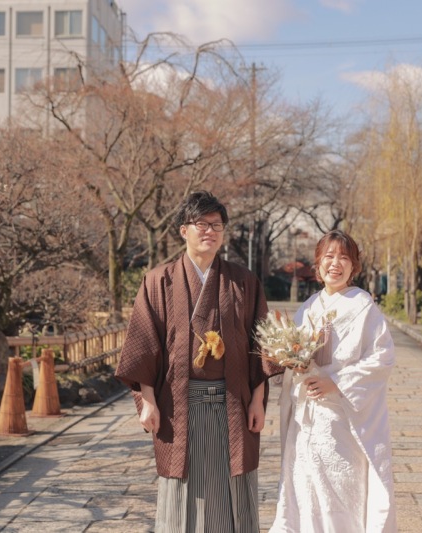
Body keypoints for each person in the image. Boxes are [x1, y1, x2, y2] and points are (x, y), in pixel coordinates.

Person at [115, 191, 274, 533]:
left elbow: (261, 344)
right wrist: (147, 402)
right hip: (178, 404)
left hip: (233, 401)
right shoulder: (158, 280)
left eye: (216, 225)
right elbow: (145, 344)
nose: (210, 231)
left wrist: (258, 400)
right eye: (201, 224)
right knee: (183, 483)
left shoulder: (243, 281)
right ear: (183, 230)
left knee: (233, 480)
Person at [270, 229, 397, 533]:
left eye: (344, 257)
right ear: (318, 263)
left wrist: (336, 382)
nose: (335, 263)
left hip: (344, 418)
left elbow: (382, 358)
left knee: (341, 486)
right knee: (305, 485)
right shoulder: (309, 307)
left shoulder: (364, 307)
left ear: (355, 267)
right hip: (307, 419)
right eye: (329, 256)